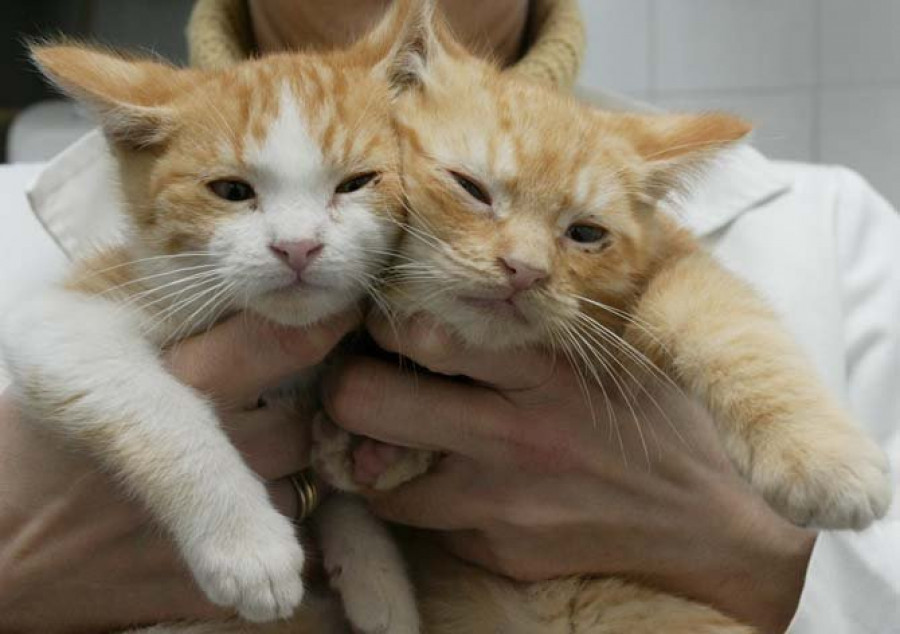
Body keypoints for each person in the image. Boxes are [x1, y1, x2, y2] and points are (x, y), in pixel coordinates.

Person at [0, 2, 896, 633]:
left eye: (355, 184)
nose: (520, 260)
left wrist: (764, 562)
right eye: (465, 190)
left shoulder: (832, 224)